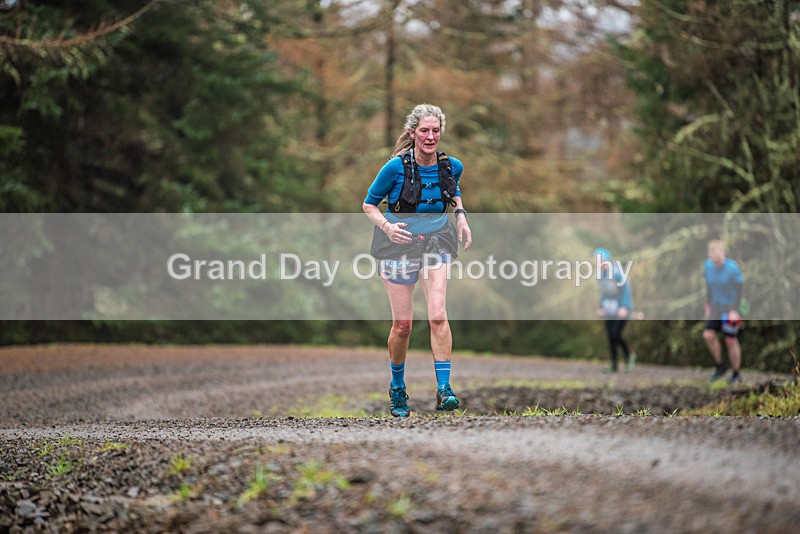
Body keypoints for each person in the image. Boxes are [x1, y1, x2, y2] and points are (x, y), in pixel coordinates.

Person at [362, 103, 472, 418]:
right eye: (424, 130)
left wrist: (461, 216)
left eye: (435, 130)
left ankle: (445, 390)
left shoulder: (452, 165)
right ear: (413, 133)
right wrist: (386, 226)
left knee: (438, 316)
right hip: (398, 245)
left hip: (436, 241)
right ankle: (397, 388)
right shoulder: (394, 168)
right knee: (403, 325)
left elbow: (453, 188)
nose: (430, 136)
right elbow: (368, 205)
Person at [703, 239, 744, 384]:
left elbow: (740, 291)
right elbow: (708, 286)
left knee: (730, 340)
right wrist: (707, 304)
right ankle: (720, 366)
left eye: (717, 253)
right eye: (712, 253)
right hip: (715, 307)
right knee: (708, 335)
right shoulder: (707, 267)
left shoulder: (732, 268)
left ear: (723, 253)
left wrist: (736, 311)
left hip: (730, 308)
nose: (715, 256)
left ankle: (736, 373)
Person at [594, 247, 635, 373]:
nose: (598, 262)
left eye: (600, 260)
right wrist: (601, 307)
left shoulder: (617, 272)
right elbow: (604, 293)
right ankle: (614, 364)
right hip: (609, 309)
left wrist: (624, 307)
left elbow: (626, 290)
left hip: (622, 309)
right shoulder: (601, 275)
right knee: (610, 337)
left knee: (616, 334)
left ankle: (629, 357)